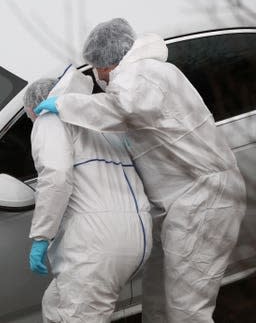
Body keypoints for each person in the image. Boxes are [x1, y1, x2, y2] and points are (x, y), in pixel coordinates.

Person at [35, 19, 246, 323]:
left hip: (204, 200)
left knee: (188, 310)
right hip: (181, 203)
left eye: (96, 69)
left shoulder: (141, 74)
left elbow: (123, 110)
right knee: (158, 299)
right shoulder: (142, 75)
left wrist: (68, 105)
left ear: (106, 63)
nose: (98, 77)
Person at [24, 68, 151, 323]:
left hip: (95, 246)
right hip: (138, 237)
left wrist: (41, 236)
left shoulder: (48, 119)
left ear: (34, 109)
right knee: (56, 304)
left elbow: (56, 177)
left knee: (78, 316)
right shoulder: (98, 121)